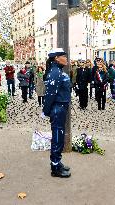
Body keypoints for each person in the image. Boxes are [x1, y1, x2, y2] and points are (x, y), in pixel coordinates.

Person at [43, 48, 71, 178]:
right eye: (63, 56)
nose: (66, 58)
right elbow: (49, 95)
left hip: (61, 108)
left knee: (58, 136)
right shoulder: (55, 72)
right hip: (58, 108)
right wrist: (46, 111)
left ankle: (57, 162)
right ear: (56, 58)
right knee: (58, 138)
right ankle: (55, 168)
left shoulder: (58, 71)